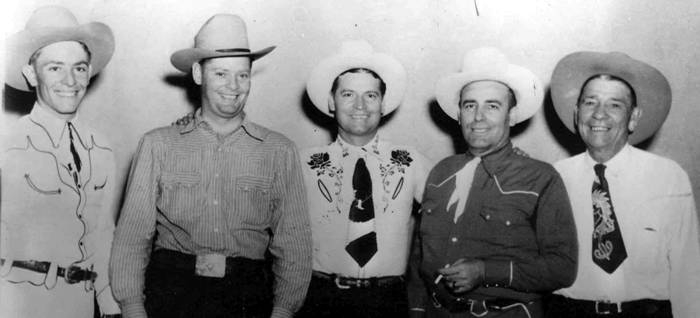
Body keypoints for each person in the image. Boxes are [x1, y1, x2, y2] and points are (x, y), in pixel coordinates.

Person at [109, 14, 312, 318]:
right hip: (171, 292)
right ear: (198, 74)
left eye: (242, 75)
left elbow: (293, 242)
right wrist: (132, 307)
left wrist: (283, 310)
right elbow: (132, 237)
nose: (233, 86)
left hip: (247, 295)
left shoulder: (279, 150)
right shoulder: (157, 144)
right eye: (221, 74)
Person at [408, 47, 578, 318]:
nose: (478, 117)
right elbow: (419, 255)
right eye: (469, 105)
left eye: (492, 106)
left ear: (511, 115)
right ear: (459, 114)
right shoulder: (440, 173)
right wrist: (416, 309)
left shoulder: (540, 177)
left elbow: (562, 267)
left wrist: (486, 271)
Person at [546, 51, 700, 318]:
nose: (599, 115)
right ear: (576, 113)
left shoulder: (668, 177)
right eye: (590, 102)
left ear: (633, 117)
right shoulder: (552, 178)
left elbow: (688, 275)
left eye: (614, 105)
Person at [0, 5, 120, 318]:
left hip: (79, 305)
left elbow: (103, 234)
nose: (70, 80)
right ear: (31, 74)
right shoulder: (6, 145)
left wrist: (108, 304)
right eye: (55, 68)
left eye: (79, 68)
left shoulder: (102, 149)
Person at [295, 40, 430, 318]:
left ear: (383, 103)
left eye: (370, 95)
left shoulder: (411, 160)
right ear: (332, 101)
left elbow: (451, 213)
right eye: (347, 94)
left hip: (387, 300)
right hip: (322, 299)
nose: (360, 105)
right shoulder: (302, 162)